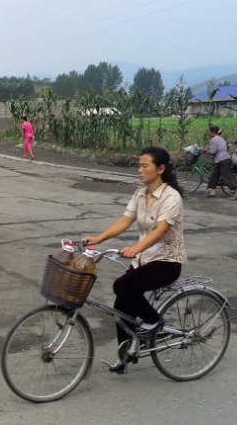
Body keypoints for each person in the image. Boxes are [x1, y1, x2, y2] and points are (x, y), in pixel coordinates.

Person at [83, 146, 185, 374]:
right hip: (144, 260)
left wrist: (135, 248)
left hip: (166, 262)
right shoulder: (140, 194)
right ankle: (125, 357)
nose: (139, 170)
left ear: (160, 169)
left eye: (144, 165)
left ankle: (155, 321)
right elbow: (125, 220)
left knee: (122, 285)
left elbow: (160, 230)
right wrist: (98, 239)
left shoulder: (171, 196)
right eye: (139, 165)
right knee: (122, 306)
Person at [203, 126, 237, 200]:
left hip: (221, 160)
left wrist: (206, 150)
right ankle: (212, 190)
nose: (209, 133)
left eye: (209, 132)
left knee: (227, 176)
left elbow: (213, 152)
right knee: (213, 175)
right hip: (225, 158)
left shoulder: (213, 140)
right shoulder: (221, 139)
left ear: (212, 132)